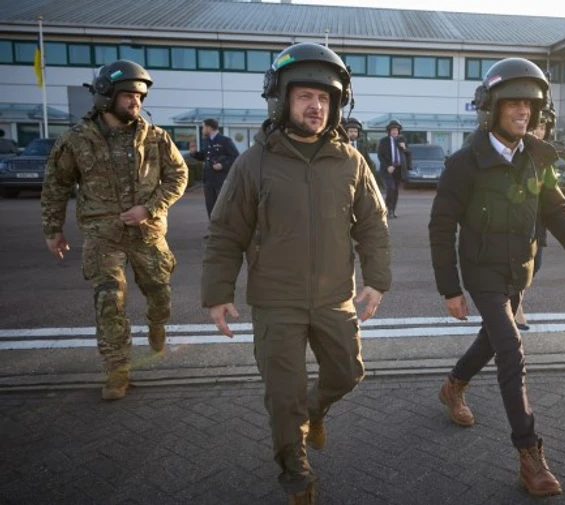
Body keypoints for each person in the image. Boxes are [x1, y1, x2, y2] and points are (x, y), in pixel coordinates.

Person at [201, 43, 391, 504]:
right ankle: (295, 474)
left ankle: (314, 411)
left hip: (334, 297)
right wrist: (217, 293)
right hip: (275, 300)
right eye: (305, 95)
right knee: (283, 396)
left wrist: (377, 280)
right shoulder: (253, 163)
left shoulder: (351, 161)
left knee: (347, 373)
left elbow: (372, 224)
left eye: (325, 98)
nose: (316, 106)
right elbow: (226, 232)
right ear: (281, 99)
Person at [429, 57, 565, 497]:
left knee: (491, 339)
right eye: (514, 104)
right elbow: (441, 227)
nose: (524, 112)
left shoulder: (538, 160)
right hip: (481, 271)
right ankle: (529, 454)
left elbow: (555, 209)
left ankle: (454, 386)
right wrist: (450, 288)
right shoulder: (465, 163)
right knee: (509, 347)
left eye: (531, 106)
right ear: (493, 108)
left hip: (520, 270)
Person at [40, 59, 188, 400]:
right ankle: (117, 371)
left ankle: (156, 323)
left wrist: (149, 208)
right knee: (109, 300)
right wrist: (53, 230)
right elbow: (56, 185)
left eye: (140, 96)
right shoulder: (76, 141)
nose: (136, 102)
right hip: (102, 236)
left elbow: (179, 176)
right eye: (128, 96)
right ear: (106, 95)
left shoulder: (156, 137)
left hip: (148, 234)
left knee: (160, 294)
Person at [514, 106, 554, 331]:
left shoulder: (545, 156)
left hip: (537, 222)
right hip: (512, 222)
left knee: (534, 266)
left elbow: (555, 201)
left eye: (543, 128)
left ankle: (515, 303)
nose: (539, 132)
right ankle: (512, 309)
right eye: (537, 126)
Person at [189, 118, 240, 218]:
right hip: (209, 180)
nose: (202, 129)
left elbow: (236, 157)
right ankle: (213, 231)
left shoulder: (225, 141)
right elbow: (205, 156)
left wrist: (223, 165)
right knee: (210, 206)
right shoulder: (207, 141)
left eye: (203, 127)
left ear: (208, 127)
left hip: (220, 180)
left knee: (222, 206)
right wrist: (194, 153)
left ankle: (224, 231)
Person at [377, 119, 409, 218]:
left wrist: (404, 148)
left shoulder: (402, 140)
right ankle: (388, 209)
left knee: (395, 191)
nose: (394, 131)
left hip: (399, 170)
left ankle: (392, 211)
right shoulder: (384, 141)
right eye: (392, 130)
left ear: (399, 131)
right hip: (388, 170)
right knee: (390, 188)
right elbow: (380, 155)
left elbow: (408, 155)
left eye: (396, 129)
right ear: (389, 131)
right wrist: (388, 166)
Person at [344, 116, 382, 191]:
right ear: (346, 132)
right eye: (351, 131)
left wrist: (370, 177)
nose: (353, 134)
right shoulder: (342, 145)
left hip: (359, 178)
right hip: (345, 178)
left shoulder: (362, 146)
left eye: (355, 132)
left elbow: (368, 162)